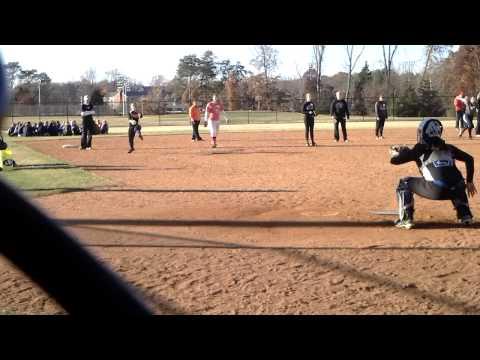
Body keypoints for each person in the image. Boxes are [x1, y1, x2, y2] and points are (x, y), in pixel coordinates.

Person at [390, 118, 476, 229]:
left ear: (425, 133)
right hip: (456, 191)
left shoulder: (419, 148)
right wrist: (469, 181)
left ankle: (406, 219)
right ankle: (465, 215)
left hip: (436, 190)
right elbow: (469, 159)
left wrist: (396, 154)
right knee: (457, 182)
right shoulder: (449, 148)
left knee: (404, 182)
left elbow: (395, 161)